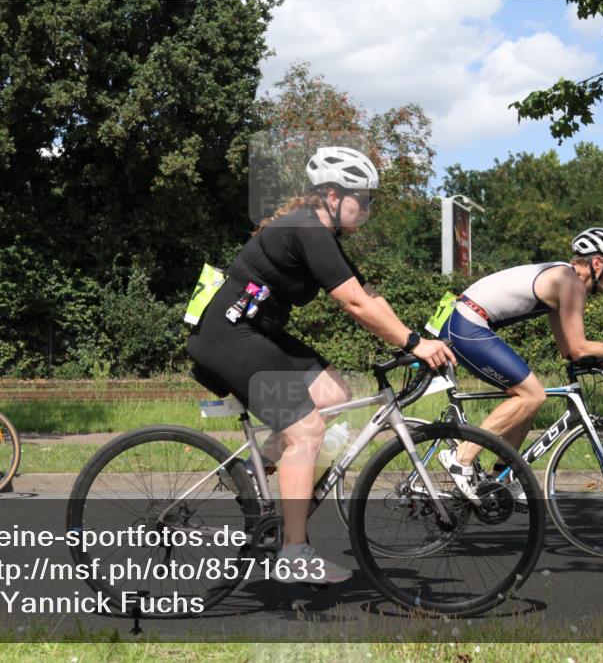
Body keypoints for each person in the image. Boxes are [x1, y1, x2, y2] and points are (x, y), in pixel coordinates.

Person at [187, 147, 454, 584]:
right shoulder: (307, 228)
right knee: (307, 430)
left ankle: (256, 470)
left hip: (257, 331)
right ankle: (293, 553)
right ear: (333, 195)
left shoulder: (321, 232)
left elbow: (368, 296)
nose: (367, 209)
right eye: (363, 199)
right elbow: (352, 304)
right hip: (229, 333)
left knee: (334, 392)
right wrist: (412, 343)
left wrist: (420, 339)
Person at [436, 228, 603, 502]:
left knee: (529, 401)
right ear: (598, 263)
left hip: (466, 322)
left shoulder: (562, 279)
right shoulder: (569, 282)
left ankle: (503, 477)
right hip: (468, 326)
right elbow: (579, 347)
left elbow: (569, 350)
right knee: (532, 395)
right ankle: (462, 458)